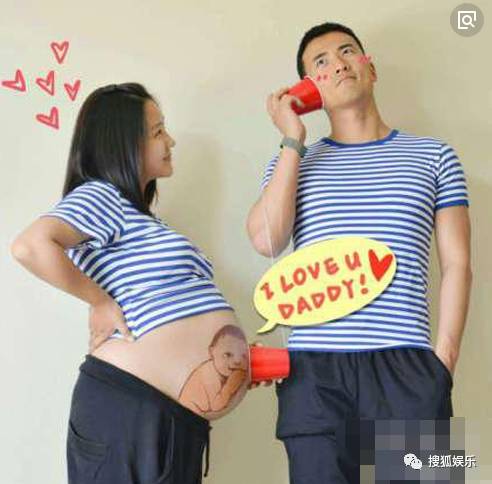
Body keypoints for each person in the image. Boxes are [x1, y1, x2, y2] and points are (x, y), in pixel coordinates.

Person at [246, 22, 472, 483]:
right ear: (309, 88)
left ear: (371, 68)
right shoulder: (292, 162)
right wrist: (292, 138)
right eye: (321, 62)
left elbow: (457, 264)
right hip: (315, 373)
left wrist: (443, 362)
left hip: (408, 366)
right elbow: (266, 240)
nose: (338, 64)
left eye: (347, 51)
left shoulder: (435, 156)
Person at [11, 83, 250, 484]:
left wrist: (234, 366)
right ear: (123, 143)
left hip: (170, 421)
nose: (170, 141)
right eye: (158, 131)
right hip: (129, 408)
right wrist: (99, 301)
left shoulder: (142, 220)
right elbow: (30, 246)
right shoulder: (103, 196)